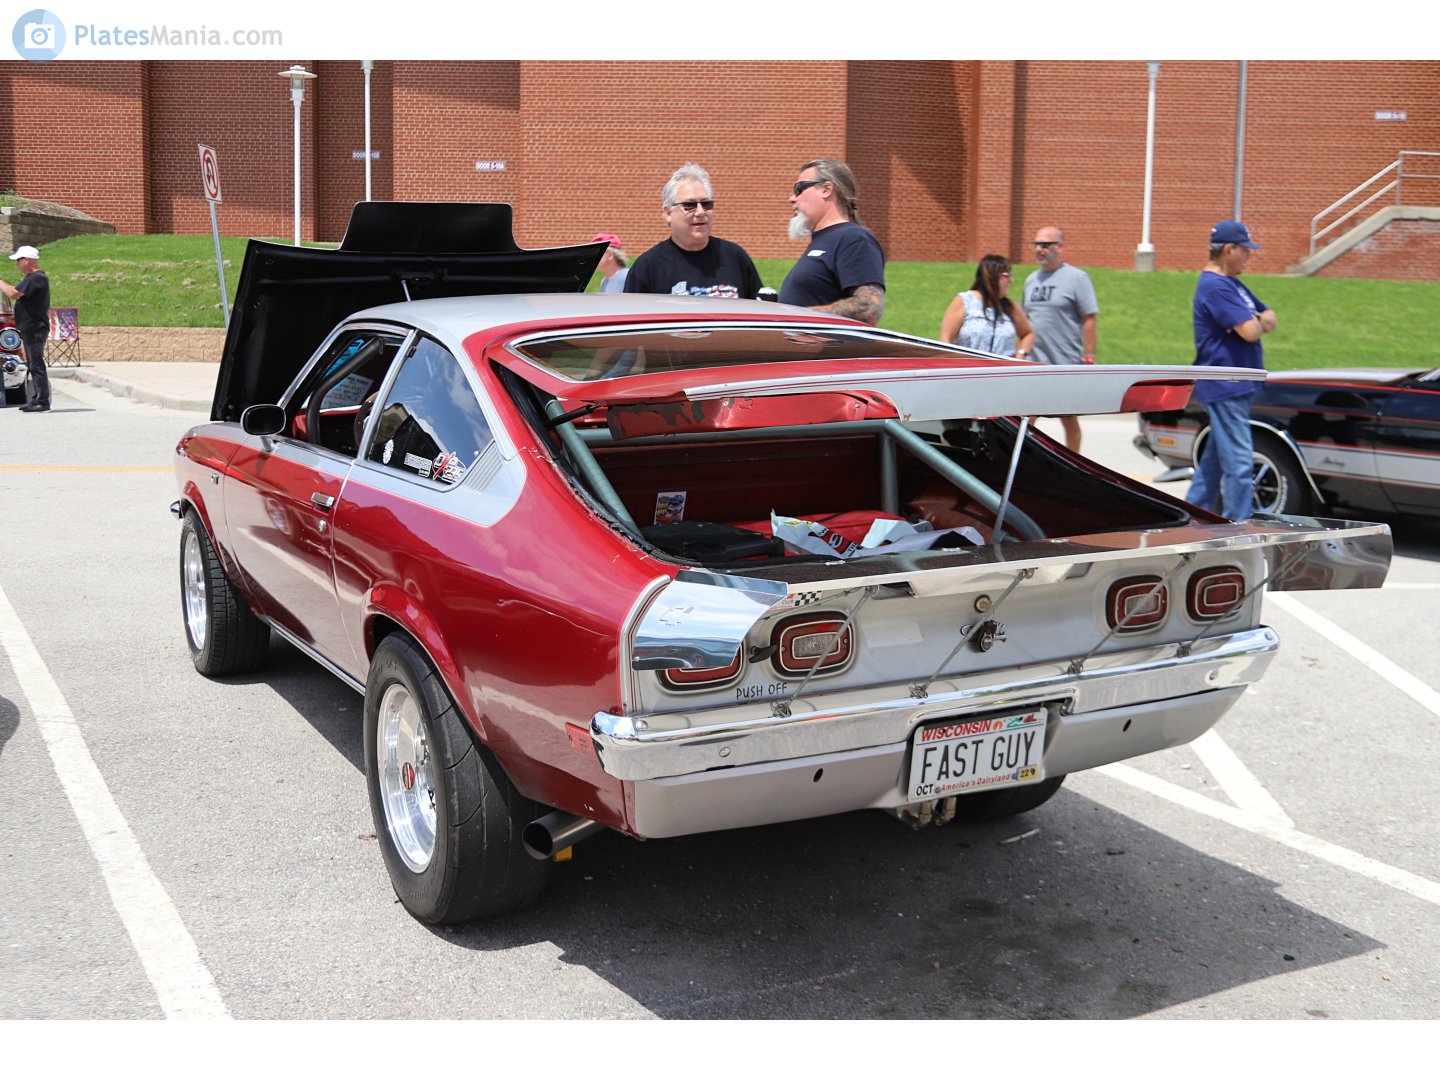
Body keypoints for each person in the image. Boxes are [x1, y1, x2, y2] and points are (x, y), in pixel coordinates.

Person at [1186, 220, 1276, 521]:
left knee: (1212, 464)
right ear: (1229, 249)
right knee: (1239, 463)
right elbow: (1250, 331)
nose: (1248, 256)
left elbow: (1269, 316)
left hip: (1236, 385)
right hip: (1226, 384)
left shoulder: (1233, 284)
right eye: (1245, 250)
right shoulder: (1215, 287)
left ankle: (1190, 516)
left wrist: (1254, 320)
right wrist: (1254, 321)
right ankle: (1239, 524)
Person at [623, 163, 763, 299]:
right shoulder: (648, 267)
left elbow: (760, 309)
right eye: (689, 205)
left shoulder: (735, 257)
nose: (700, 212)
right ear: (668, 213)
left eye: (706, 204)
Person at [779, 159, 885, 325]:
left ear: (826, 189)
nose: (792, 198)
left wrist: (795, 317)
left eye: (799, 189)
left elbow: (868, 307)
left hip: (826, 343)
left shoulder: (853, 238)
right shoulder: (825, 240)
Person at [1022, 226, 1098, 452]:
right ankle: (1022, 458)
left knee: (1068, 416)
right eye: (1036, 244)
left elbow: (1089, 317)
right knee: (1027, 415)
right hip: (1034, 361)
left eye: (1045, 245)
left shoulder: (1076, 278)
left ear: (1060, 247)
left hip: (1064, 360)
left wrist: (1089, 353)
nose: (1039, 249)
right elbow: (1025, 320)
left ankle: (1073, 461)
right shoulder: (1031, 280)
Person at [939, 254, 1034, 359]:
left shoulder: (1009, 306)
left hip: (1003, 368)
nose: (1011, 281)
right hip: (969, 367)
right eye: (1006, 276)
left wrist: (1020, 354)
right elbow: (945, 341)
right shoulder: (965, 301)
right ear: (991, 276)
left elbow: (1028, 333)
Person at [0, 244, 51, 412]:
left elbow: (13, 293)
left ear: (27, 260)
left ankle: (42, 401)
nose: (17, 264)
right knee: (32, 364)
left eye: (18, 260)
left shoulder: (36, 278)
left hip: (35, 328)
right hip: (31, 327)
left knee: (36, 364)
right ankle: (36, 399)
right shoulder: (32, 279)